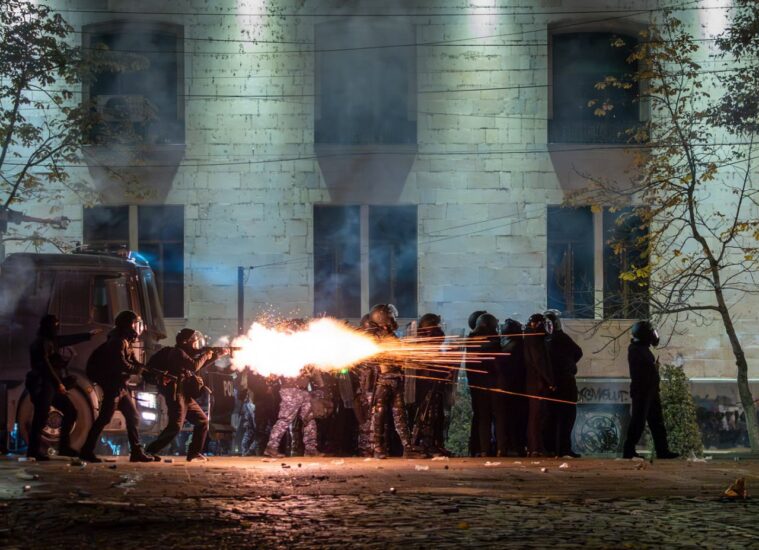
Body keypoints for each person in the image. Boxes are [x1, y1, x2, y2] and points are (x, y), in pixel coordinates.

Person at [79, 310, 156, 463]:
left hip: (120, 387)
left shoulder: (125, 341)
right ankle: (86, 451)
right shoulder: (117, 341)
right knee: (104, 419)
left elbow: (133, 361)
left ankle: (136, 452)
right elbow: (121, 364)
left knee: (133, 416)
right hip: (113, 386)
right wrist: (137, 370)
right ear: (127, 325)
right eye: (135, 324)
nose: (137, 328)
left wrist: (148, 369)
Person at [144, 329, 227, 461]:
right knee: (176, 426)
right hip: (176, 393)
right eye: (194, 342)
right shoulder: (178, 353)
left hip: (184, 393)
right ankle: (150, 450)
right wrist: (206, 354)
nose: (196, 345)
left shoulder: (182, 354)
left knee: (202, 421)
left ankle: (194, 453)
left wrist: (216, 355)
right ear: (185, 342)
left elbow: (197, 365)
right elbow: (194, 366)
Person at [25, 315, 97, 461]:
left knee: (70, 411)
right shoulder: (40, 343)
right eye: (54, 325)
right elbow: (47, 367)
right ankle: (33, 451)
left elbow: (68, 339)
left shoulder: (52, 341)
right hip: (43, 385)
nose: (56, 328)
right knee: (40, 417)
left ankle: (64, 447)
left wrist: (88, 335)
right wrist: (59, 384)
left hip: (50, 384)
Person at [622, 321, 679, 460]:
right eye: (651, 333)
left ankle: (663, 451)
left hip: (650, 391)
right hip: (642, 392)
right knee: (638, 422)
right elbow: (641, 373)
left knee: (657, 422)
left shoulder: (642, 348)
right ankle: (628, 451)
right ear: (645, 334)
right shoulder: (636, 350)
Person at [367, 303, 414, 459]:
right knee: (379, 413)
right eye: (392, 316)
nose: (395, 319)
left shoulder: (391, 335)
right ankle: (377, 447)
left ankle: (408, 448)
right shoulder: (376, 336)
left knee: (400, 414)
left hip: (396, 379)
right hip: (383, 380)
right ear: (383, 318)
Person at [411, 313, 452, 456]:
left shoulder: (433, 343)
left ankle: (436, 443)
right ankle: (426, 445)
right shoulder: (423, 345)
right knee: (428, 416)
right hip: (426, 385)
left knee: (438, 416)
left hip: (436, 384)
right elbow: (426, 366)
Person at [544, 309, 582, 458]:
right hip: (565, 382)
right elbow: (578, 352)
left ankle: (554, 448)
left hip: (551, 383)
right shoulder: (562, 338)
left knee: (553, 417)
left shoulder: (544, 341)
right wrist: (570, 365)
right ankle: (563, 449)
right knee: (566, 417)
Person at [466, 313, 504, 457]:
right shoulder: (494, 341)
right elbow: (498, 364)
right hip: (493, 383)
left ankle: (484, 450)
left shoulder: (471, 341)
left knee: (483, 418)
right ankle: (501, 448)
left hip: (478, 385)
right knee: (499, 416)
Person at [263, 365, 321, 458]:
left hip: (304, 391)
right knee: (285, 419)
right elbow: (272, 376)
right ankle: (271, 447)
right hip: (290, 390)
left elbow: (315, 375)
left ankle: (311, 450)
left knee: (309, 419)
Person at [522, 313, 555, 457]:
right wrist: (549, 381)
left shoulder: (531, 338)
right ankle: (535, 447)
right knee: (536, 417)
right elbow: (539, 362)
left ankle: (536, 447)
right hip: (537, 384)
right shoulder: (535, 340)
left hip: (535, 382)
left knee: (537, 416)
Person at [498, 318, 527, 456]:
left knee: (511, 419)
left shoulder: (507, 345)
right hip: (516, 388)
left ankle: (512, 446)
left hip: (509, 387)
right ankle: (516, 446)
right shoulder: (517, 345)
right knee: (517, 420)